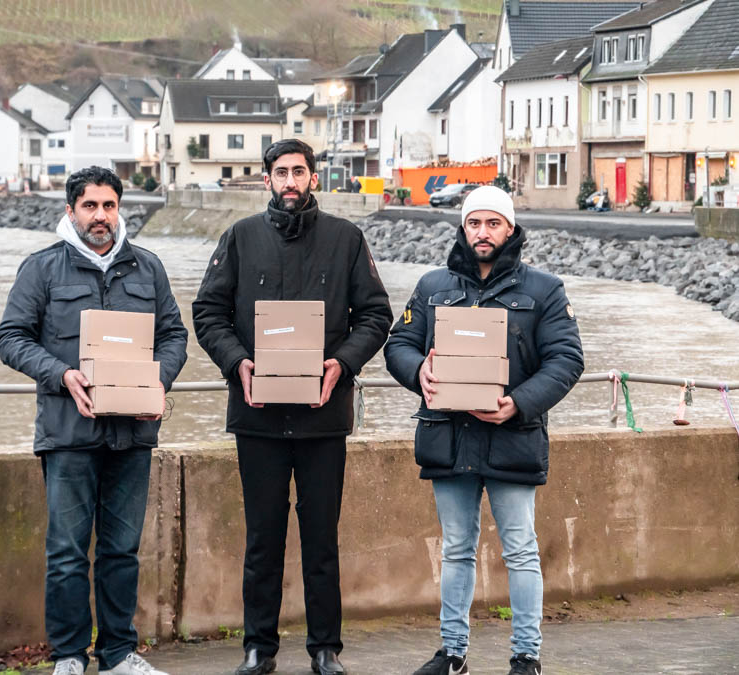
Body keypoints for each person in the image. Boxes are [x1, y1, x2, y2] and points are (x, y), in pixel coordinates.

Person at [192, 139, 393, 675]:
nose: (290, 181)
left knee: (322, 539)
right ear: (267, 181)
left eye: (299, 172)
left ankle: (325, 649)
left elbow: (376, 315)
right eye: (280, 172)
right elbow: (207, 312)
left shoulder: (347, 239)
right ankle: (259, 648)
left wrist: (342, 365)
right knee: (262, 539)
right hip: (256, 414)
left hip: (323, 415)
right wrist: (237, 363)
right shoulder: (239, 238)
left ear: (313, 178)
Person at [383, 186, 584, 675]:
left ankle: (526, 658)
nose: (483, 232)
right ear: (463, 228)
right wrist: (418, 373)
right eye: (475, 223)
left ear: (510, 229)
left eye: (493, 223)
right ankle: (452, 654)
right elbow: (399, 344)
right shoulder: (432, 286)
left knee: (520, 548)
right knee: (456, 548)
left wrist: (518, 403)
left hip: (512, 436)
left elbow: (567, 360)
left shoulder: (544, 290)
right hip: (447, 437)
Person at [0, 166, 187, 675]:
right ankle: (68, 656)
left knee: (122, 552)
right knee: (66, 554)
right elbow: (11, 338)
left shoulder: (147, 268)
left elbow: (174, 336)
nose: (100, 216)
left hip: (133, 433)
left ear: (119, 209)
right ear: (70, 211)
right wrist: (62, 375)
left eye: (109, 206)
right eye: (90, 206)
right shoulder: (42, 269)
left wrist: (158, 381)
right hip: (68, 434)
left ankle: (119, 653)